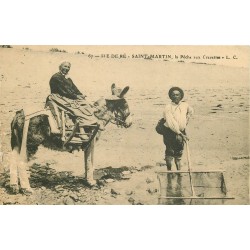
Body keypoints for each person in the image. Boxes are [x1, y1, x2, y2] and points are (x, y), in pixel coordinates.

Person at [48, 61, 101, 140]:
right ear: (60, 67)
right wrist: (76, 96)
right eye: (65, 66)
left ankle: (94, 124)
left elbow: (74, 88)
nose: (66, 68)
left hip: (68, 96)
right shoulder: (56, 77)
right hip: (58, 97)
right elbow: (63, 91)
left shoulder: (68, 78)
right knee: (75, 109)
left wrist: (80, 95)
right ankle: (81, 131)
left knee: (86, 104)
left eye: (68, 67)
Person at [162, 86, 194, 170]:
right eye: (173, 95)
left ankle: (178, 172)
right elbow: (171, 123)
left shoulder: (185, 105)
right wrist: (181, 134)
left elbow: (191, 111)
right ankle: (169, 171)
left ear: (181, 96)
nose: (175, 96)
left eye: (177, 95)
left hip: (181, 132)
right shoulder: (168, 107)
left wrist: (186, 121)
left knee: (179, 153)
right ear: (170, 96)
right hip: (169, 132)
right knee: (170, 152)